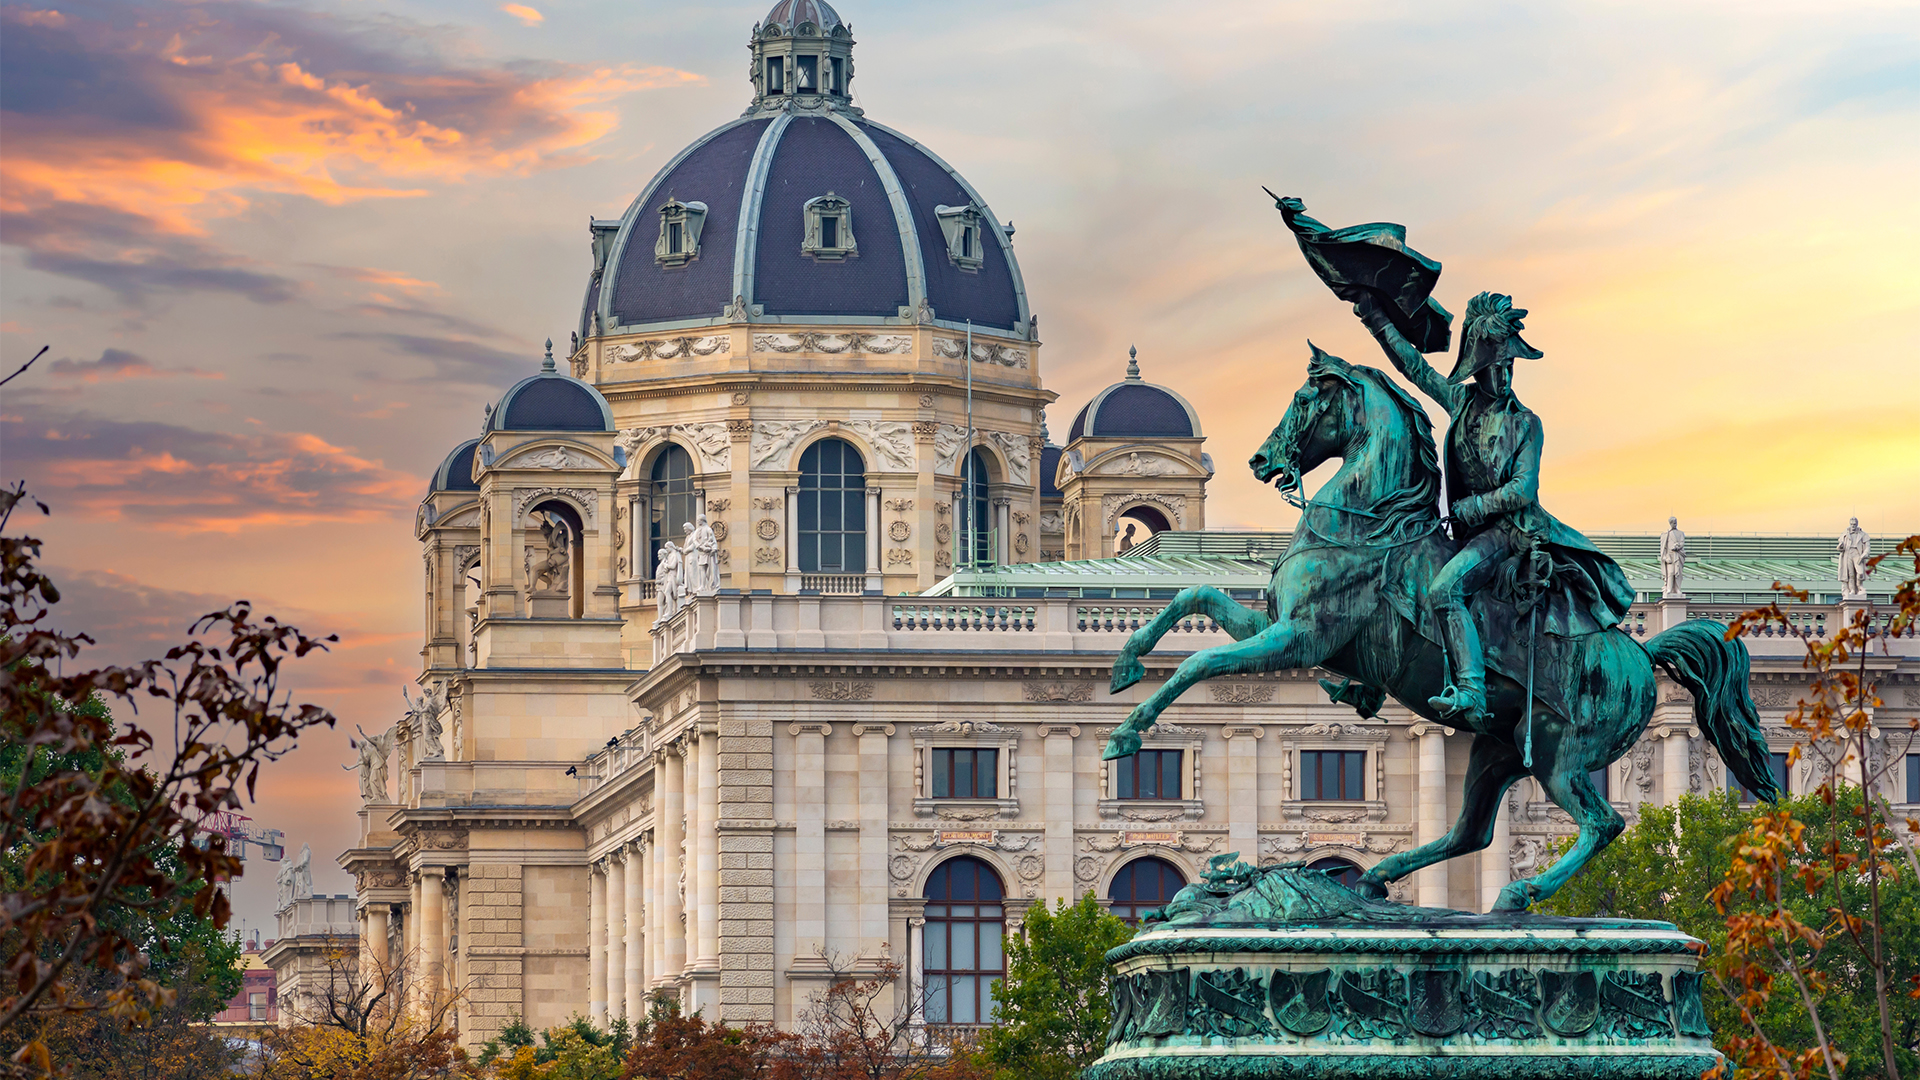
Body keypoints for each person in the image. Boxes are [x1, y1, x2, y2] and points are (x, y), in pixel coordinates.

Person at [1354, 292, 1633, 724]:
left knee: (1445, 589)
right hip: (1467, 532)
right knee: (1397, 572)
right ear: (1476, 368)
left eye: (1509, 366)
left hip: (1512, 533)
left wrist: (1472, 508)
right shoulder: (1460, 401)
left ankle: (1471, 690)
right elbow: (1414, 367)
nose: (1504, 375)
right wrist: (1375, 317)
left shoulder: (1526, 423)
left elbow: (1523, 489)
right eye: (1495, 367)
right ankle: (1371, 682)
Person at [1660, 517, 1686, 598]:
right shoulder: (1665, 534)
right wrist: (1665, 557)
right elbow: (1663, 547)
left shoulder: (1681, 533)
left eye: (1675, 522)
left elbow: (1682, 543)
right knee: (1670, 573)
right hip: (1670, 556)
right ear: (1670, 523)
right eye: (1673, 522)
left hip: (1678, 555)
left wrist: (1677, 546)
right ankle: (1669, 589)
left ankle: (1677, 588)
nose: (1675, 524)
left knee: (1677, 573)